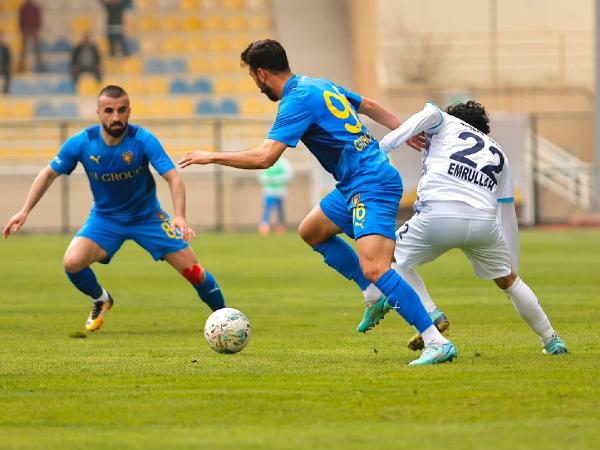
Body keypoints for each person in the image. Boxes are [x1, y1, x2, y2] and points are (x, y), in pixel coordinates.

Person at [178, 39, 456, 366]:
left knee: (376, 266)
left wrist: (211, 156)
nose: (256, 86)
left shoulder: (295, 100)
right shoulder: (318, 85)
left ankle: (435, 340)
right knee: (312, 230)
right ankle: (373, 294)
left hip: (370, 183)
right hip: (356, 181)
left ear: (262, 73)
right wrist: (402, 130)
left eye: (253, 78)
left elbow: (266, 157)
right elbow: (366, 104)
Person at [3, 85, 226, 332]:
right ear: (98, 112)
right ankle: (101, 299)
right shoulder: (81, 143)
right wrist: (24, 211)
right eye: (109, 111)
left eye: (121, 110)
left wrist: (180, 217)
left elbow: (173, 177)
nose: (116, 117)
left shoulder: (143, 140)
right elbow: (48, 174)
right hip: (106, 218)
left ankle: (225, 320)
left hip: (148, 217)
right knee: (72, 262)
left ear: (129, 111)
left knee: (195, 272)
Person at [369, 100, 568, 356]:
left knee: (385, 258)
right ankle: (552, 340)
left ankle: (431, 314)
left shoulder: (443, 120)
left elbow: (429, 113)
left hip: (438, 213)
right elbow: (507, 213)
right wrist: (511, 263)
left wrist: (382, 148)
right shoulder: (499, 155)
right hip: (483, 222)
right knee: (510, 282)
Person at [257, 155, 294, 234]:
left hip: (280, 191)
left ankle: (281, 226)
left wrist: (279, 179)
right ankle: (265, 226)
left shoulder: (283, 162)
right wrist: (269, 180)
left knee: (280, 209)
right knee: (267, 208)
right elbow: (260, 175)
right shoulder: (266, 160)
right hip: (269, 191)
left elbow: (289, 174)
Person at [18, 0, 43, 72]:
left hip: (34, 30)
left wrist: (37, 28)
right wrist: (22, 29)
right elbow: (20, 19)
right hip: (25, 30)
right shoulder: (23, 8)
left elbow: (39, 18)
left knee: (37, 48)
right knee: (23, 50)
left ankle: (39, 66)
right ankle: (21, 67)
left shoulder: (35, 7)